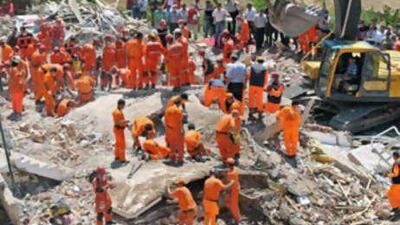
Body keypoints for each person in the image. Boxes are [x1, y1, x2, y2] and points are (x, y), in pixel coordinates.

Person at [164, 98, 185, 166]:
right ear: (179, 104)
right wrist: (182, 129)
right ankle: (180, 159)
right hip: (177, 129)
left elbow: (165, 120)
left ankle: (172, 157)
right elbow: (180, 121)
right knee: (180, 144)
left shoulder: (168, 109)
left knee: (172, 144)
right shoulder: (178, 110)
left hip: (169, 129)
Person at [248, 56, 268, 121]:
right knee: (259, 99)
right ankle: (260, 112)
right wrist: (264, 85)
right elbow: (266, 78)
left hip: (252, 85)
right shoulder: (264, 68)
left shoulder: (252, 66)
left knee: (251, 98)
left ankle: (250, 112)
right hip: (260, 86)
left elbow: (249, 75)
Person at [224, 158, 240, 224]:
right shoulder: (235, 169)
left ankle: (237, 220)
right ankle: (231, 214)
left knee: (234, 205)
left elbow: (231, 184)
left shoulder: (231, 174)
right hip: (236, 187)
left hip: (233, 190)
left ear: (228, 164)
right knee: (228, 203)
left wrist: (226, 189)